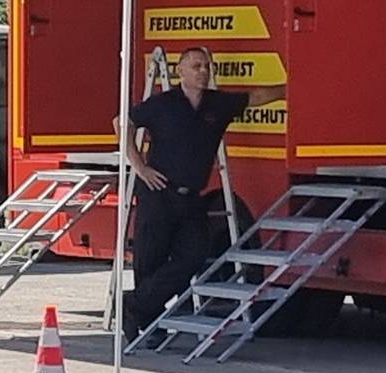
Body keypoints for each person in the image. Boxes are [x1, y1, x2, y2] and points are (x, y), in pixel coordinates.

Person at [118, 46, 284, 340]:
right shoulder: (163, 104)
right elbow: (122, 122)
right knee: (150, 259)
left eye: (206, 66)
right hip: (158, 193)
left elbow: (256, 97)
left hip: (191, 196)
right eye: (196, 66)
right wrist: (139, 166)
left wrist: (290, 88)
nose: (203, 71)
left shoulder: (218, 105)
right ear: (179, 71)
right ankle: (145, 324)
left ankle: (134, 304)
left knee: (193, 257)